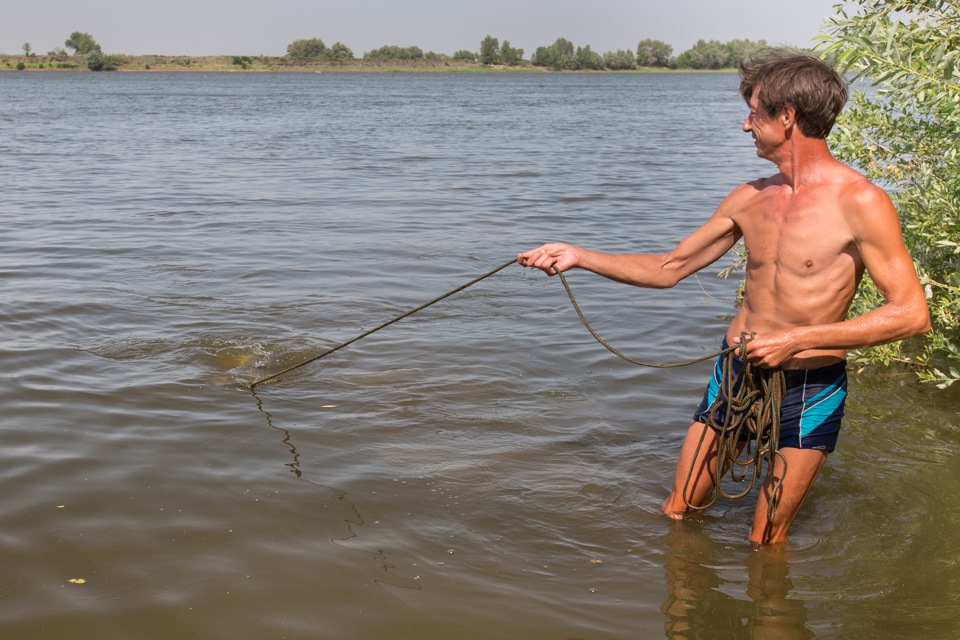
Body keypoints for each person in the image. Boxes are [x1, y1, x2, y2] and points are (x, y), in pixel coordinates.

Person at [517, 50, 930, 545]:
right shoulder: (748, 197)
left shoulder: (861, 201)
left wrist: (798, 339)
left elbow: (910, 314)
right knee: (678, 511)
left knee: (766, 541)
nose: (744, 125)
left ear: (787, 117)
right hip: (736, 373)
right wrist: (579, 255)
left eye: (754, 112)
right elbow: (669, 268)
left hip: (810, 385)